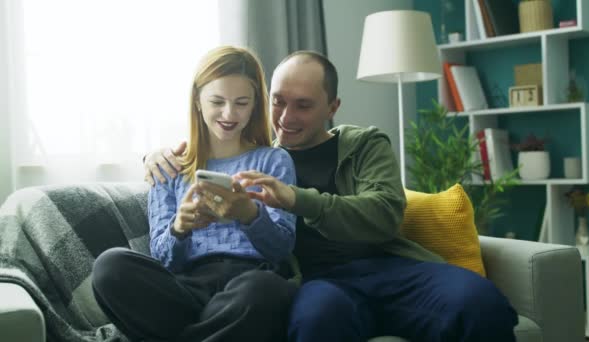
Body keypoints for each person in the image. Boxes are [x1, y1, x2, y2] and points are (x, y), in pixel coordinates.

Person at [144, 51, 518, 342]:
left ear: (332, 107)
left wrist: (295, 198)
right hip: (316, 281)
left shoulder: (364, 144)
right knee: (317, 320)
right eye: (278, 101)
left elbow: (385, 212)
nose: (285, 117)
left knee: (479, 302)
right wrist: (153, 156)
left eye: (303, 105)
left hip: (389, 268)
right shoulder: (262, 159)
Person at [93, 46, 298, 342]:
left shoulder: (273, 161)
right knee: (110, 266)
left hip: (250, 282)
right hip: (187, 287)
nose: (229, 114)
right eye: (217, 101)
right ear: (198, 102)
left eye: (242, 103)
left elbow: (281, 249)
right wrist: (180, 228)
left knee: (266, 290)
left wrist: (250, 215)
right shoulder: (170, 167)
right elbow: (165, 260)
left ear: (255, 105)